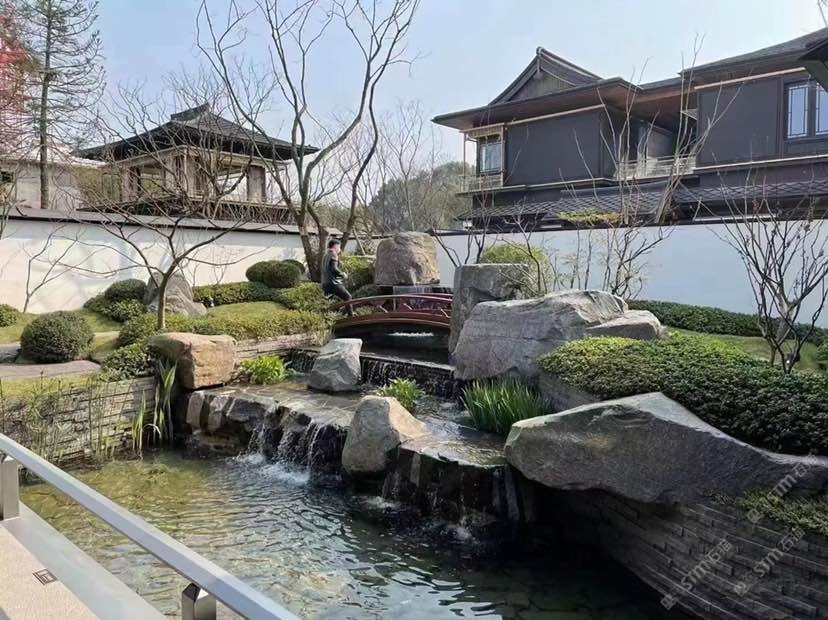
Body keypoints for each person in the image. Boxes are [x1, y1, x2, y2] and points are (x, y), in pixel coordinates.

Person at [321, 238, 353, 316]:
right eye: (339, 247)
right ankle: (350, 317)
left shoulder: (325, 255)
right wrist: (342, 274)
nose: (339, 249)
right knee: (348, 297)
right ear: (335, 246)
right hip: (333, 283)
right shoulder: (334, 254)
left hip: (325, 283)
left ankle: (328, 318)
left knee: (329, 302)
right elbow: (334, 269)